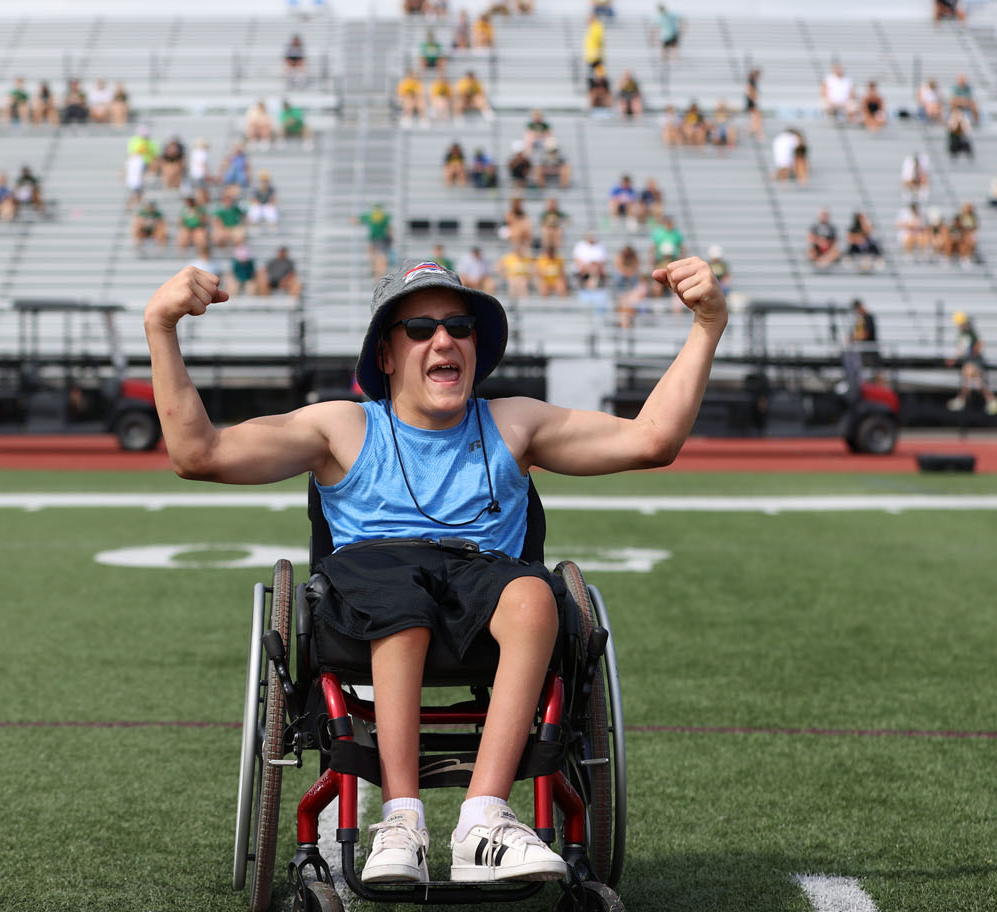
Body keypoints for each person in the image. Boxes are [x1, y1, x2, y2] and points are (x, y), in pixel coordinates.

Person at [141, 253, 725, 881]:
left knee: (535, 594)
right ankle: (401, 819)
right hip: (371, 591)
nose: (443, 339)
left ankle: (484, 819)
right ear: (387, 355)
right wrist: (161, 328)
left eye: (458, 327)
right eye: (420, 329)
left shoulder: (513, 423)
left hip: (487, 590)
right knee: (398, 600)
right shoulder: (342, 428)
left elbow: (652, 440)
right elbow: (198, 454)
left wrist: (707, 326)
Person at [945, 312, 997, 415]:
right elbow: (962, 349)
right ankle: (989, 400)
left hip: (973, 361)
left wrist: (972, 353)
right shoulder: (964, 333)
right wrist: (954, 358)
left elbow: (978, 345)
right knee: (974, 382)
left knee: (972, 380)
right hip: (970, 360)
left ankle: (963, 400)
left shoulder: (969, 332)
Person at [359, 202, 394, 277]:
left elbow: (358, 220)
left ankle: (376, 269)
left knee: (375, 255)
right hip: (382, 238)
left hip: (375, 238)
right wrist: (391, 237)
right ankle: (379, 270)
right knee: (380, 255)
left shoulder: (370, 215)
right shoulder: (384, 216)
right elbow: (389, 228)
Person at [744, 68, 763, 140]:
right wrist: (754, 96)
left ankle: (754, 132)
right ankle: (752, 132)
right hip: (751, 102)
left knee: (756, 118)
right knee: (755, 118)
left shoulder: (753, 81)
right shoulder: (751, 81)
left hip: (752, 102)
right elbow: (749, 91)